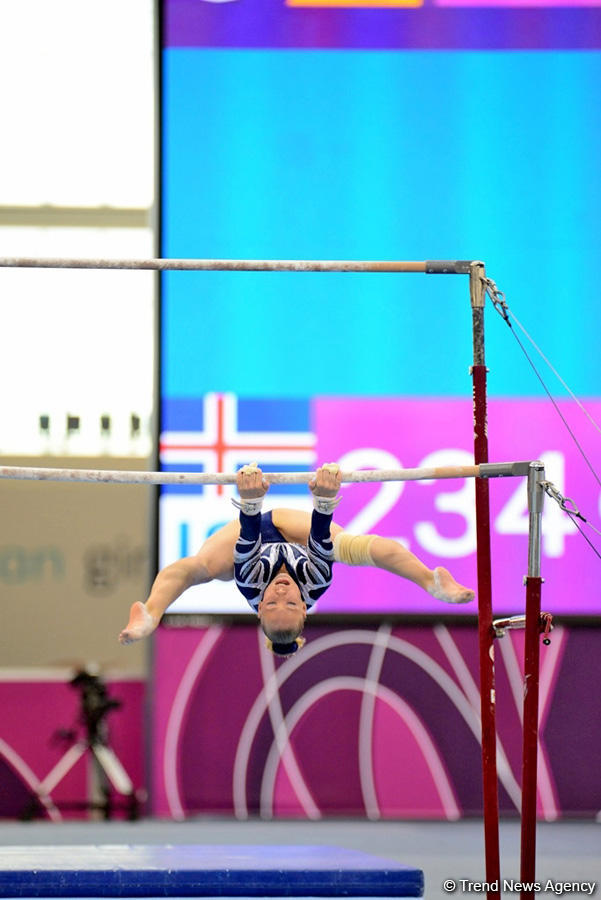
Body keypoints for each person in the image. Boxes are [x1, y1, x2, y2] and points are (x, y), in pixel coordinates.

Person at [119, 463, 475, 656]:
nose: (282, 590)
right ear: (304, 608)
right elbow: (320, 535)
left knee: (198, 568)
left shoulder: (252, 582)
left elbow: (249, 532)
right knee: (366, 548)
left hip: (254, 542)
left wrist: (250, 499)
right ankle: (430, 581)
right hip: (300, 537)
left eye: (273, 601)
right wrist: (325, 496)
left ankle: (152, 611)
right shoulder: (315, 582)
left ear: (259, 608)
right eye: (289, 600)